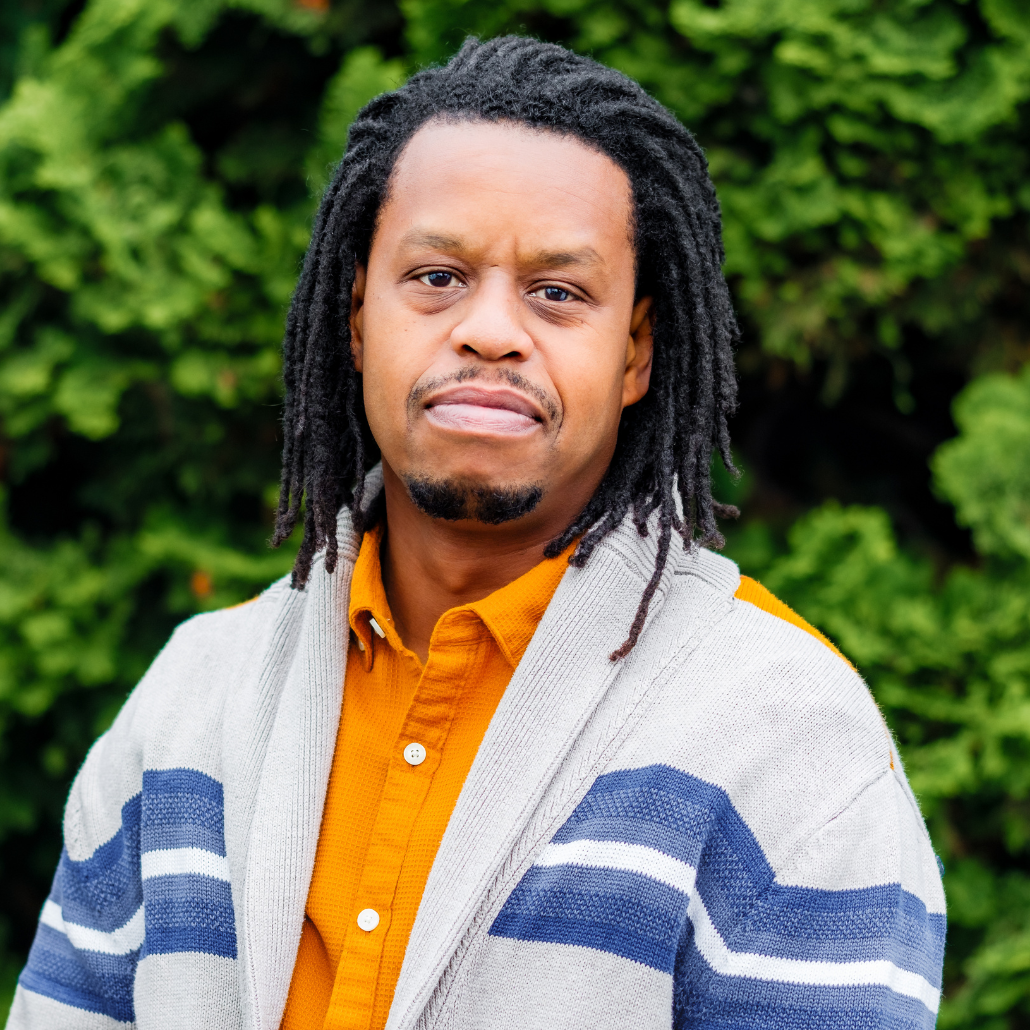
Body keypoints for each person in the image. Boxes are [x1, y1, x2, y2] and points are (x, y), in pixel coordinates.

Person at [8, 35, 945, 1030]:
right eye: (438, 276)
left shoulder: (786, 737)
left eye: (557, 292)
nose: (489, 330)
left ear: (634, 353)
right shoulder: (185, 709)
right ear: (358, 313)